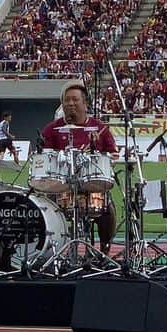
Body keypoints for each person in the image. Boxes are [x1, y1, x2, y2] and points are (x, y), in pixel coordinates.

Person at [41, 81, 118, 253]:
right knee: (44, 207)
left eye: (75, 100)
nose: (70, 104)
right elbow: (44, 156)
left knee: (107, 209)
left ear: (85, 103)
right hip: (60, 186)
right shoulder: (52, 129)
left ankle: (104, 250)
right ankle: (51, 252)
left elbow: (114, 155)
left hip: (91, 186)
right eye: (66, 100)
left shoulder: (99, 128)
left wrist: (99, 155)